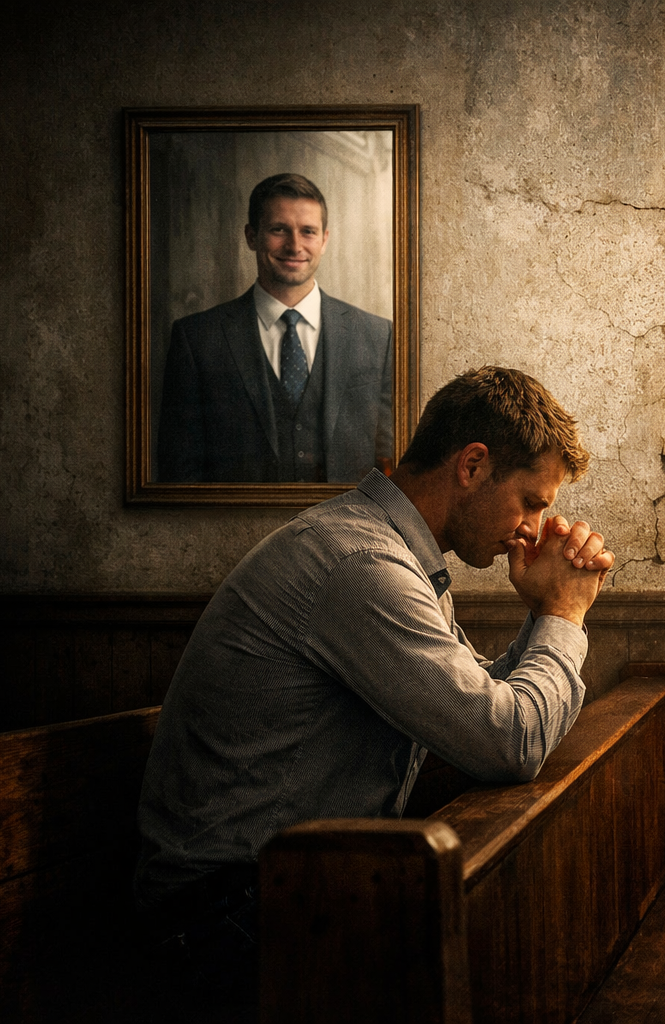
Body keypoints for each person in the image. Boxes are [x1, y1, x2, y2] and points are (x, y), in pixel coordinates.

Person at [134, 366, 613, 1004]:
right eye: (531, 501)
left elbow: (476, 700)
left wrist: (542, 613)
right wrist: (563, 616)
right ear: (472, 466)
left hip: (277, 895)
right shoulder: (361, 565)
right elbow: (508, 739)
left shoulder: (395, 553)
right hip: (223, 921)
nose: (533, 529)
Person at [155, 172, 394, 482]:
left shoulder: (378, 337)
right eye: (279, 229)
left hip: (347, 529)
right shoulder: (197, 339)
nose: (294, 245)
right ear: (252, 236)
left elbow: (392, 463)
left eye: (308, 231)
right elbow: (179, 471)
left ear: (324, 240)